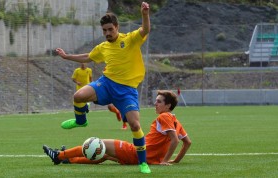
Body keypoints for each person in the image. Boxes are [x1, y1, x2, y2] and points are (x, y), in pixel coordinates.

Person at [55, 2, 151, 173]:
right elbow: (88, 57)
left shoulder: (129, 39)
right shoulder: (103, 47)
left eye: (110, 30)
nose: (107, 33)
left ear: (117, 27)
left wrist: (144, 14)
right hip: (106, 84)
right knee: (78, 96)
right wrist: (67, 56)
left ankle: (142, 162)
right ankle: (80, 121)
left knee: (135, 125)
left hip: (127, 90)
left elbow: (145, 30)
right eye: (104, 31)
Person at [43, 90, 192, 166]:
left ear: (168, 106)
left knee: (97, 143)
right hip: (143, 158)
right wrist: (175, 161)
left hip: (136, 153)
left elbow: (175, 141)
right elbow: (187, 142)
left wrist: (166, 160)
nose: (155, 103)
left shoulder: (164, 117)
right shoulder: (175, 121)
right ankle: (69, 159)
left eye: (159, 102)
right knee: (105, 154)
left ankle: (59, 156)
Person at [72, 63, 127, 129]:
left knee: (124, 107)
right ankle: (117, 112)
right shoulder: (109, 66)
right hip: (105, 88)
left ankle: (124, 123)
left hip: (120, 88)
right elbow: (104, 78)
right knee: (110, 106)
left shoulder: (124, 67)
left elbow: (90, 78)